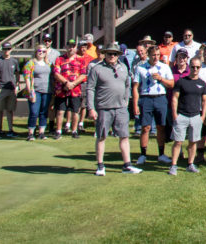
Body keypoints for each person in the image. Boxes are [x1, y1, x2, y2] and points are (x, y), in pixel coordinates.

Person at [85, 43, 141, 176]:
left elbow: (127, 84)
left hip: (121, 108)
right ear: (105, 54)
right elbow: (90, 89)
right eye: (109, 53)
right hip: (103, 108)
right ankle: (100, 166)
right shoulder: (96, 69)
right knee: (101, 136)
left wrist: (126, 99)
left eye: (115, 54)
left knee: (124, 136)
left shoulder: (123, 67)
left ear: (118, 55)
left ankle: (127, 165)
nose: (112, 56)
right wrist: (91, 108)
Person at [132, 45, 174, 166]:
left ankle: (161, 154)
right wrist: (135, 104)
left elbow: (171, 84)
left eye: (157, 55)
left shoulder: (164, 67)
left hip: (160, 97)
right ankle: (143, 154)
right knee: (146, 127)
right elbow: (135, 87)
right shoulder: (140, 68)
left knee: (161, 126)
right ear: (148, 55)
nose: (155, 58)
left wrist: (161, 79)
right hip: (146, 98)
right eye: (153, 55)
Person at [169, 57, 206, 175]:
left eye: (197, 67)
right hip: (182, 115)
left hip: (196, 116)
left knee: (193, 142)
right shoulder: (182, 81)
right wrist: (175, 114)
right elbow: (175, 98)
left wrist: (203, 116)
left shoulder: (202, 83)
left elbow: (205, 101)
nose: (195, 69)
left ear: (200, 68)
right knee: (178, 142)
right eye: (193, 67)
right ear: (189, 66)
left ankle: (190, 164)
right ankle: (173, 165)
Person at [52, 39, 88, 139]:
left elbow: (83, 74)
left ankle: (74, 131)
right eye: (69, 46)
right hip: (62, 89)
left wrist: (73, 83)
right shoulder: (59, 59)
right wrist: (66, 82)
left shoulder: (81, 60)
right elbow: (56, 73)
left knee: (75, 111)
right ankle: (58, 131)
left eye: (73, 46)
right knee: (60, 111)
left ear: (76, 48)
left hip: (75, 89)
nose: (71, 48)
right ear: (66, 47)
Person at [0, 42, 20, 137]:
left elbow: (17, 73)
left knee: (10, 110)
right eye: (5, 49)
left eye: (8, 49)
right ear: (2, 50)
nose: (7, 51)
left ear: (11, 49)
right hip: (0, 89)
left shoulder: (14, 61)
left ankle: (10, 130)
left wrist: (17, 85)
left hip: (11, 89)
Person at [24, 44, 53, 140]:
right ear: (36, 52)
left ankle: (41, 132)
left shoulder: (48, 64)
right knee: (34, 112)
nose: (41, 53)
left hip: (46, 90)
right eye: (39, 51)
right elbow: (27, 78)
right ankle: (31, 133)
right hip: (35, 90)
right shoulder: (30, 64)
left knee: (44, 112)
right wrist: (30, 92)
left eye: (44, 51)